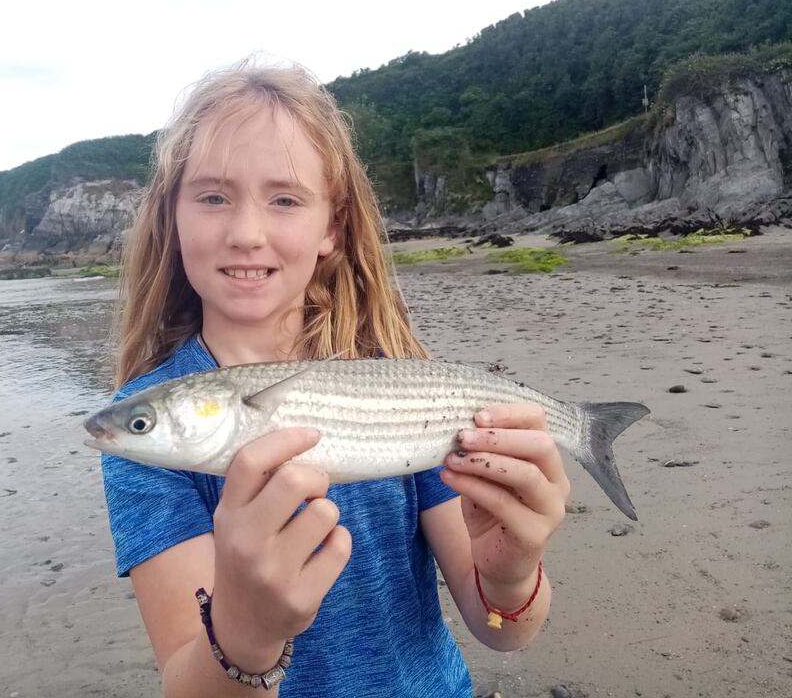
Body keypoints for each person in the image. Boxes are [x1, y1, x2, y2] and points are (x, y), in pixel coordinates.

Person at [101, 58, 570, 697]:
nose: (246, 233)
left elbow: (502, 631)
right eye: (213, 196)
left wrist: (513, 574)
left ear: (333, 225)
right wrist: (246, 632)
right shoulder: (144, 430)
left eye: (286, 199)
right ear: (171, 216)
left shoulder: (407, 392)